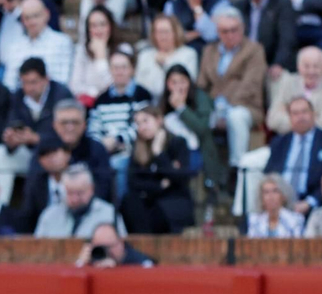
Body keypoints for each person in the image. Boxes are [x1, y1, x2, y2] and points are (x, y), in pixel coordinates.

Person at [0, 57, 73, 205]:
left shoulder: (61, 95)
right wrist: (11, 140)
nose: (29, 88)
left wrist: (37, 138)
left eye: (33, 82)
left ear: (46, 79)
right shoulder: (18, 96)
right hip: (26, 151)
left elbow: (68, 136)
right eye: (25, 82)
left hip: (54, 153)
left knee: (38, 161)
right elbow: (9, 124)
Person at [198, 6, 266, 172]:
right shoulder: (209, 51)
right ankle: (209, 174)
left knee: (236, 117)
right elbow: (201, 84)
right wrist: (209, 108)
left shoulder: (254, 50)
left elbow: (251, 84)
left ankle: (237, 168)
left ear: (242, 28)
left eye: (233, 30)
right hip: (214, 106)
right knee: (197, 120)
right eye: (224, 31)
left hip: (245, 106)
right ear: (218, 32)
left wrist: (226, 108)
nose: (229, 35)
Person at [263, 94, 322, 216]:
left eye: (304, 112)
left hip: (316, 206)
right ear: (289, 117)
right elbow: (270, 174)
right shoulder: (279, 143)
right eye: (295, 113)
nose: (300, 117)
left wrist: (310, 202)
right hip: (281, 205)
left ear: (313, 114)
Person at [122, 105, 195, 233]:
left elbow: (180, 178)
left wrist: (159, 153)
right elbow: (133, 181)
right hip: (149, 203)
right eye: (138, 123)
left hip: (173, 203)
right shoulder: (138, 149)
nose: (142, 127)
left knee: (163, 210)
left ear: (159, 120)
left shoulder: (177, 143)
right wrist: (161, 184)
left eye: (145, 121)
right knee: (130, 202)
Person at [91, 51, 152, 197]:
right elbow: (92, 128)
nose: (119, 72)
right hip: (104, 150)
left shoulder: (142, 94)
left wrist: (118, 140)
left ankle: (119, 211)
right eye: (115, 67)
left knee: (118, 165)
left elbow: (142, 125)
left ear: (132, 69)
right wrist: (102, 145)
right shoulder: (101, 99)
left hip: (133, 151)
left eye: (124, 67)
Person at [161, 64, 224, 192]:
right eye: (174, 82)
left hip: (199, 153)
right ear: (168, 84)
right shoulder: (163, 102)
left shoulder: (200, 98)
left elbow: (202, 128)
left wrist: (181, 108)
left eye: (183, 82)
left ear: (189, 82)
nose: (179, 87)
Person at [266, 46, 322, 136]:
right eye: (306, 66)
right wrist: (313, 117)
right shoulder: (288, 82)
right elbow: (272, 120)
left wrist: (291, 116)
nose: (311, 71)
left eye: (316, 66)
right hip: (288, 141)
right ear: (298, 67)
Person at [0, 0, 72, 86]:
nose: (32, 22)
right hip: (22, 98)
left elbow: (63, 81)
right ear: (22, 20)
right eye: (27, 17)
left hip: (54, 97)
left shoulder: (62, 42)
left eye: (36, 16)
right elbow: (9, 84)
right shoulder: (15, 46)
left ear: (47, 14)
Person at [34, 164, 121, 238]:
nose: (75, 199)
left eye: (80, 193)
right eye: (70, 193)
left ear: (91, 189)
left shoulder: (109, 214)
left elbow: (122, 250)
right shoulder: (49, 216)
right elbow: (37, 249)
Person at [136, 14, 198, 99]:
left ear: (175, 32)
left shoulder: (188, 54)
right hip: (148, 104)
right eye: (158, 32)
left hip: (177, 102)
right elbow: (139, 85)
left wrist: (164, 64)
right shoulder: (144, 55)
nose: (163, 36)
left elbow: (189, 83)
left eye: (166, 32)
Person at [69, 5, 122, 102]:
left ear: (110, 26)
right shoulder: (81, 51)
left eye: (102, 24)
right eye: (94, 25)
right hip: (89, 105)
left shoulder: (123, 50)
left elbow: (116, 87)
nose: (98, 30)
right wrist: (96, 93)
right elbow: (75, 86)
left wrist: (100, 57)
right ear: (88, 30)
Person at [236, 0, 294, 71]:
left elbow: (287, 38)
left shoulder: (281, 3)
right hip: (244, 61)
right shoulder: (240, 6)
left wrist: (278, 63)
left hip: (269, 62)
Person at [78, 221, 153, 266]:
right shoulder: (91, 260)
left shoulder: (139, 262)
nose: (107, 252)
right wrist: (81, 263)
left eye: (109, 247)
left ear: (121, 243)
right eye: (100, 248)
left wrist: (115, 270)